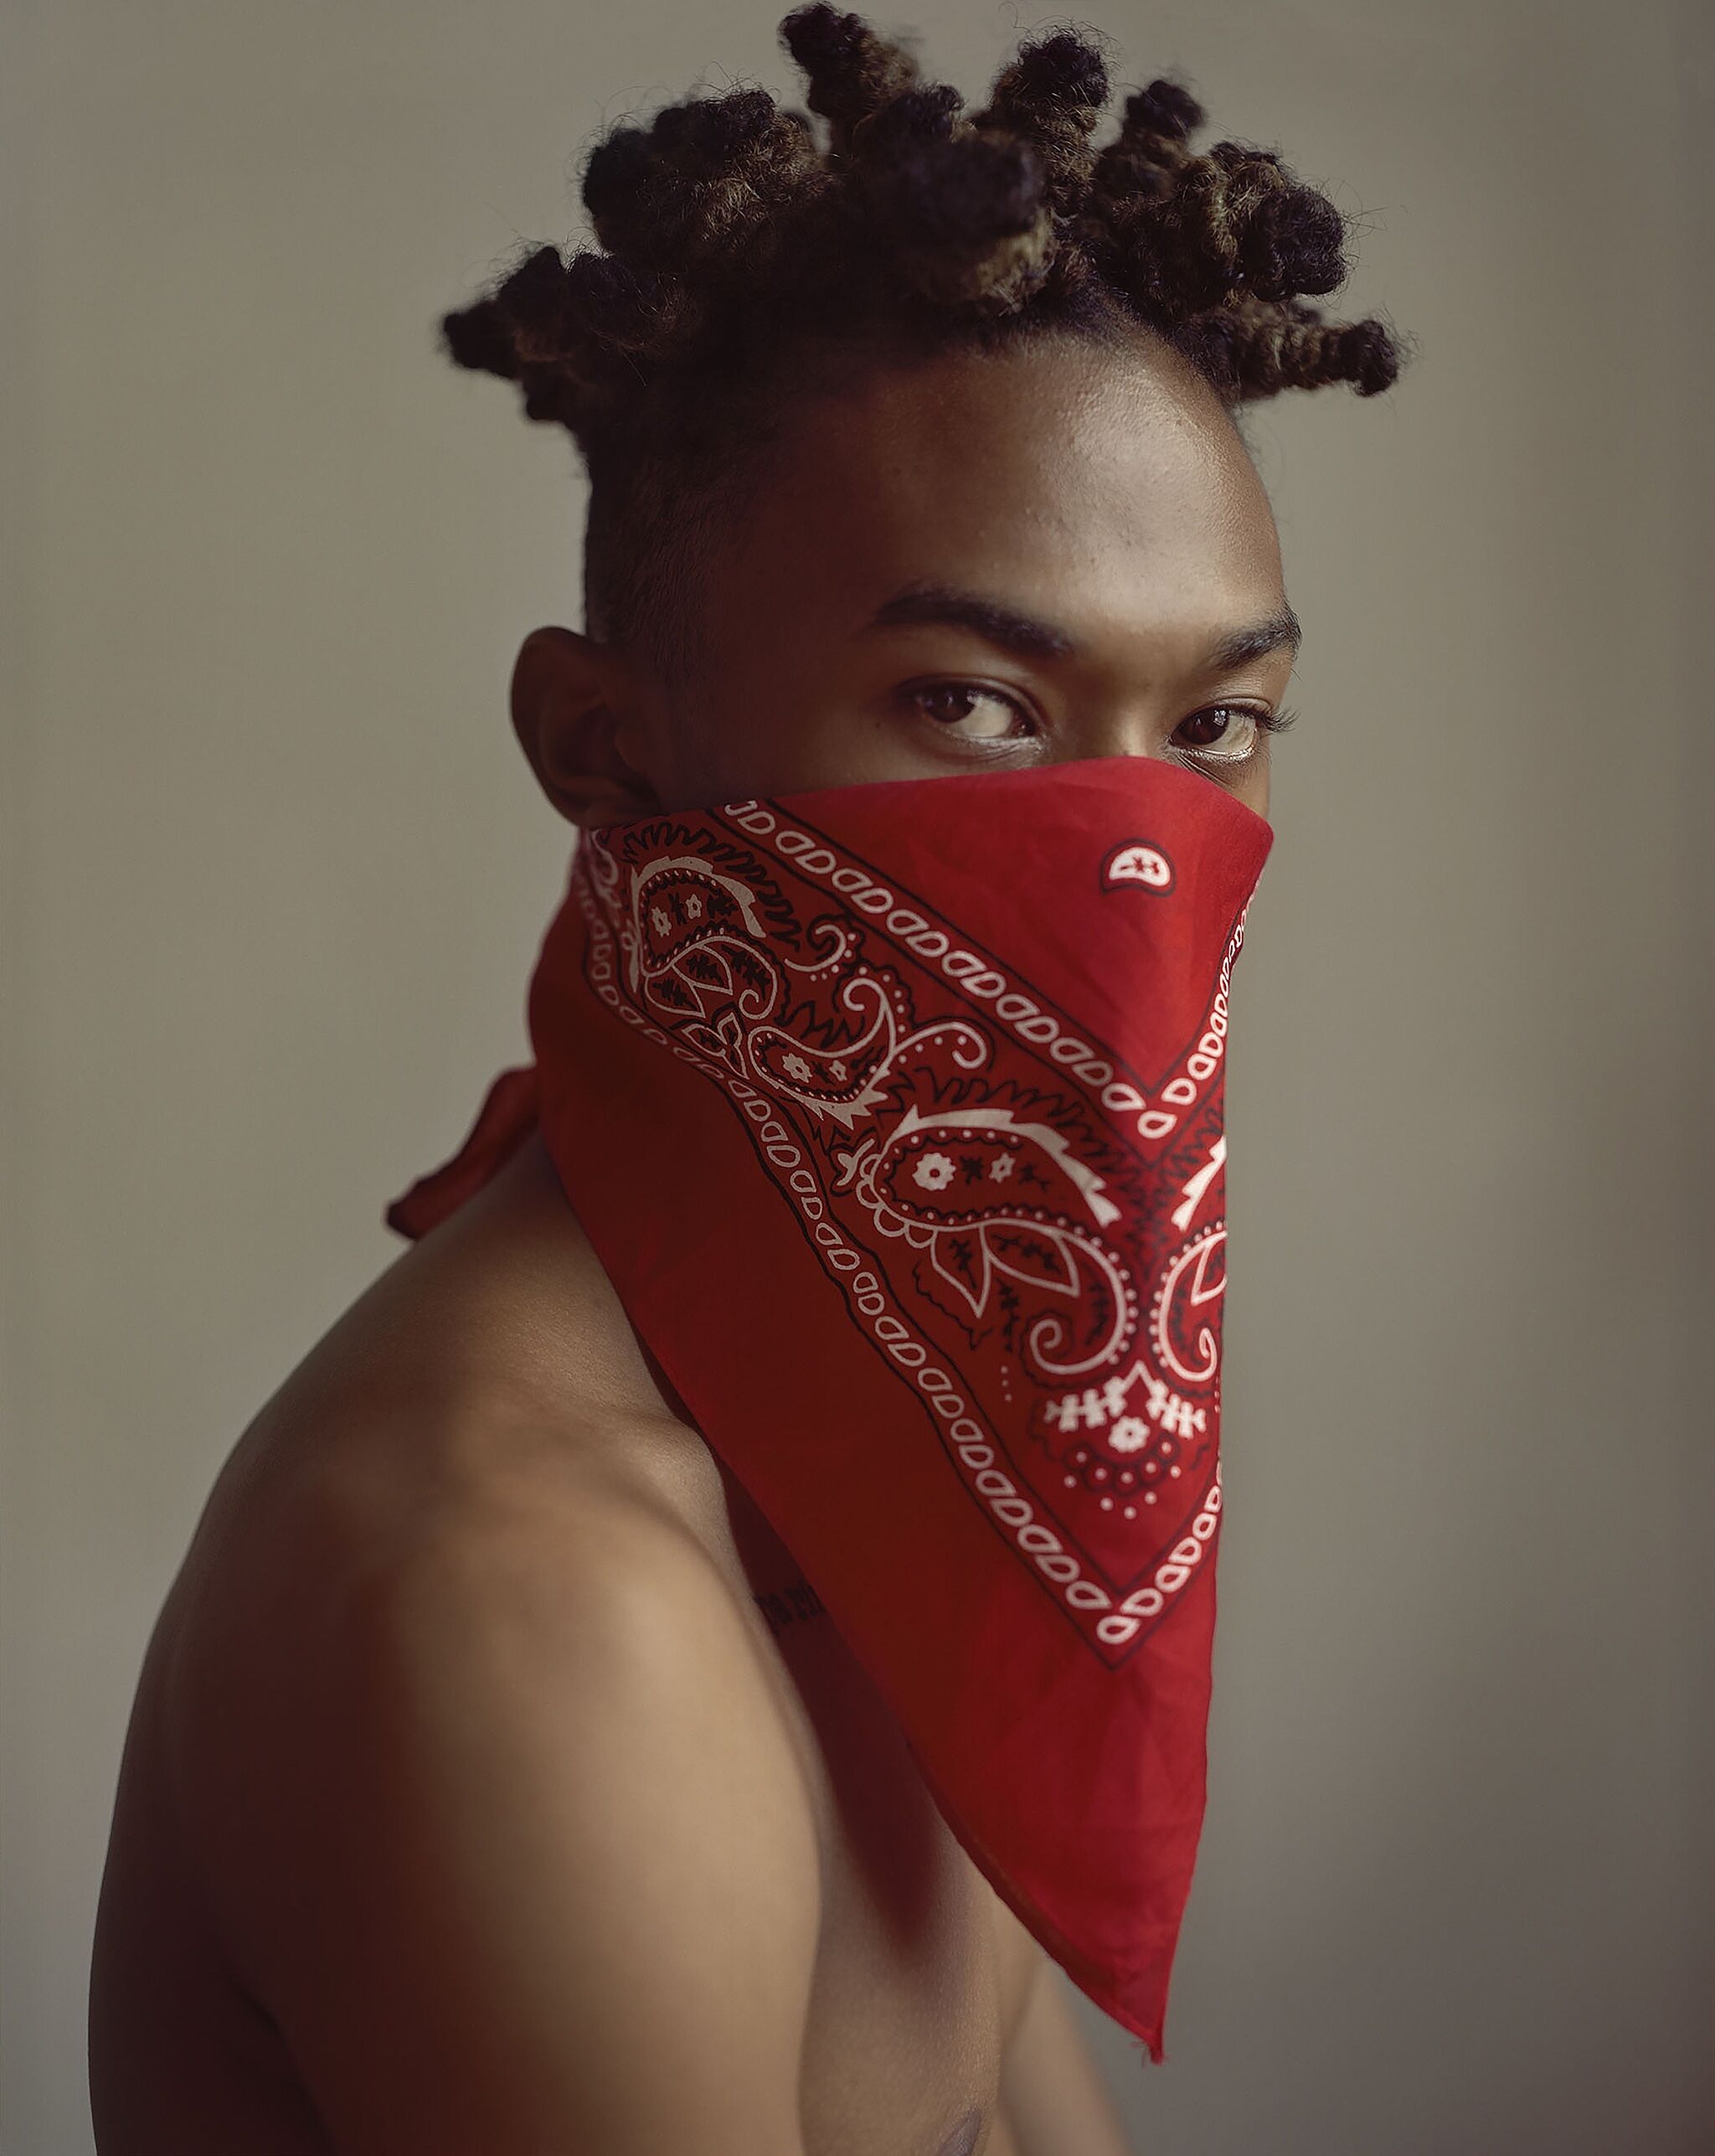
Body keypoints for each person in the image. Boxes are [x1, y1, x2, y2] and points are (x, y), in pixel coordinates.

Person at [87, 9, 1406, 2151]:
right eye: (975, 706)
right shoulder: (535, 1607)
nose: (1133, 857)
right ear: (602, 748)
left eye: (1216, 723)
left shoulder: (878, 1408)